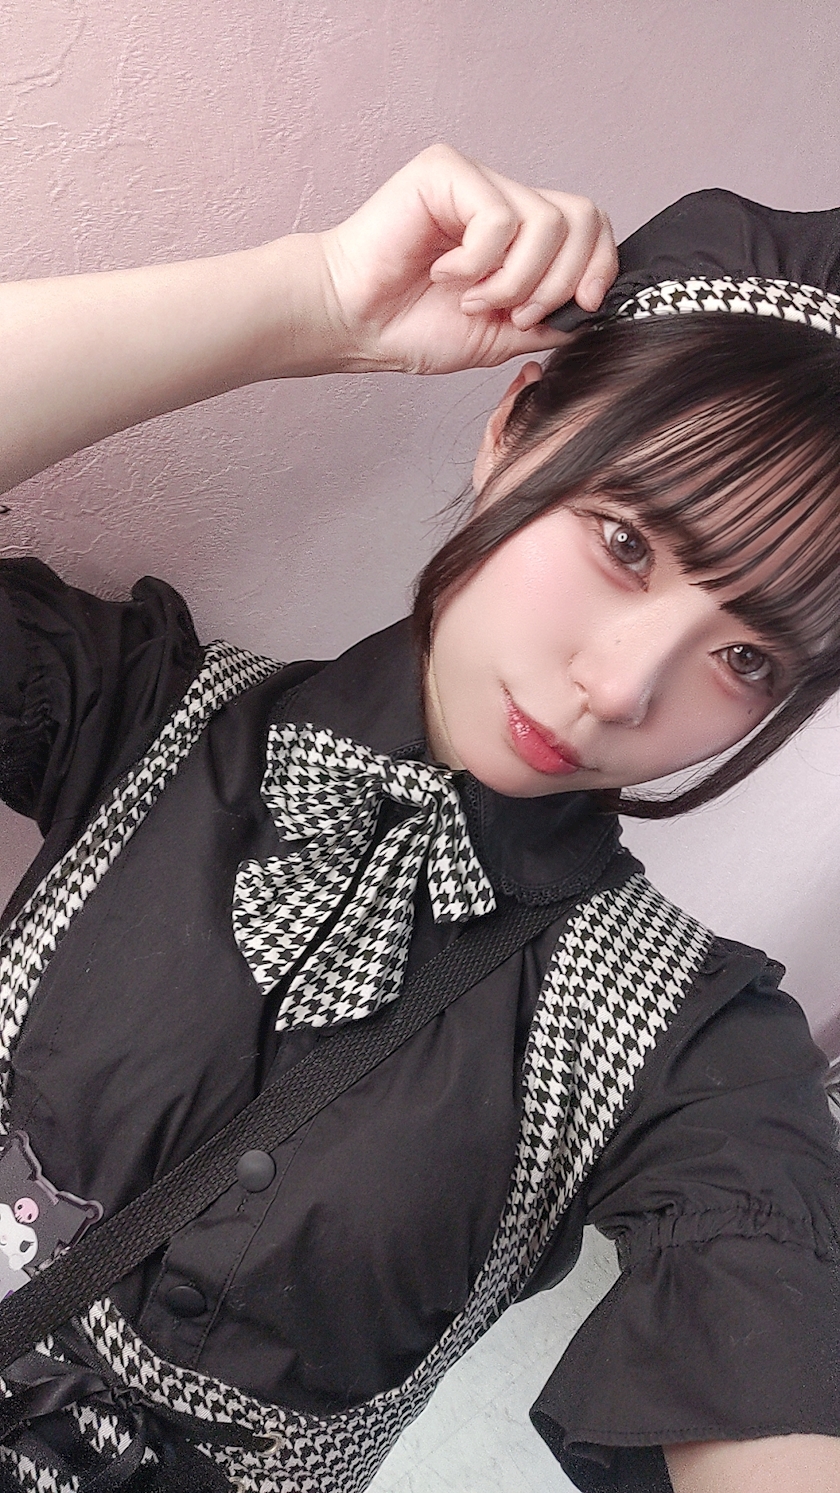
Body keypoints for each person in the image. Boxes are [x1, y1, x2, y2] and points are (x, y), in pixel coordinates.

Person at [0, 143, 838, 1493]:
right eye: (626, 541)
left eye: (747, 656)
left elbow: (776, 1314)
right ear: (516, 428)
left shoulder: (691, 1048)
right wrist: (315, 299)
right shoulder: (142, 707)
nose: (624, 688)